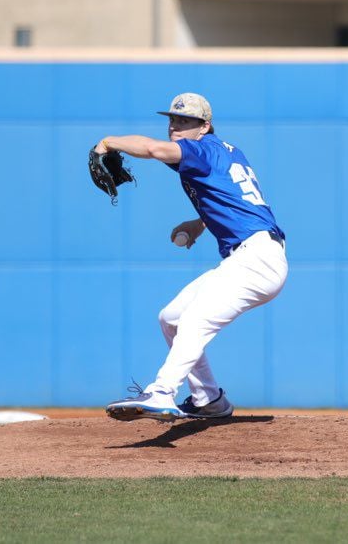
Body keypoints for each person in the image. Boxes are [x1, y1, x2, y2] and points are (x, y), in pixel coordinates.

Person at [98, 93, 288, 421]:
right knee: (171, 318)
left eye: (185, 121)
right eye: (172, 119)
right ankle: (208, 398)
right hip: (251, 256)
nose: (174, 126)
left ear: (205, 126)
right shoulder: (225, 152)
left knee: (194, 320)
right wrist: (200, 223)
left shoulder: (199, 149)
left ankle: (162, 391)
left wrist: (108, 142)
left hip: (255, 260)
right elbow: (236, 200)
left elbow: (155, 149)